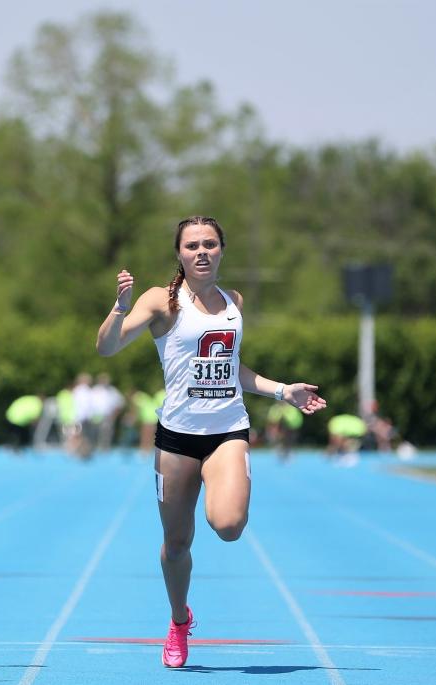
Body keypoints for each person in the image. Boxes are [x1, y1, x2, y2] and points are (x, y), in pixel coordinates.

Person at [96, 215, 326, 668]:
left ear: (222, 250)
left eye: (210, 244)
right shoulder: (161, 302)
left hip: (227, 431)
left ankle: (223, 490)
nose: (201, 252)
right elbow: (106, 348)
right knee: (176, 543)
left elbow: (233, 368)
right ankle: (179, 620)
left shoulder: (233, 301)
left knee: (228, 525)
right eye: (192, 246)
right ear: (179, 254)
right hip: (176, 439)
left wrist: (283, 391)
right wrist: (120, 307)